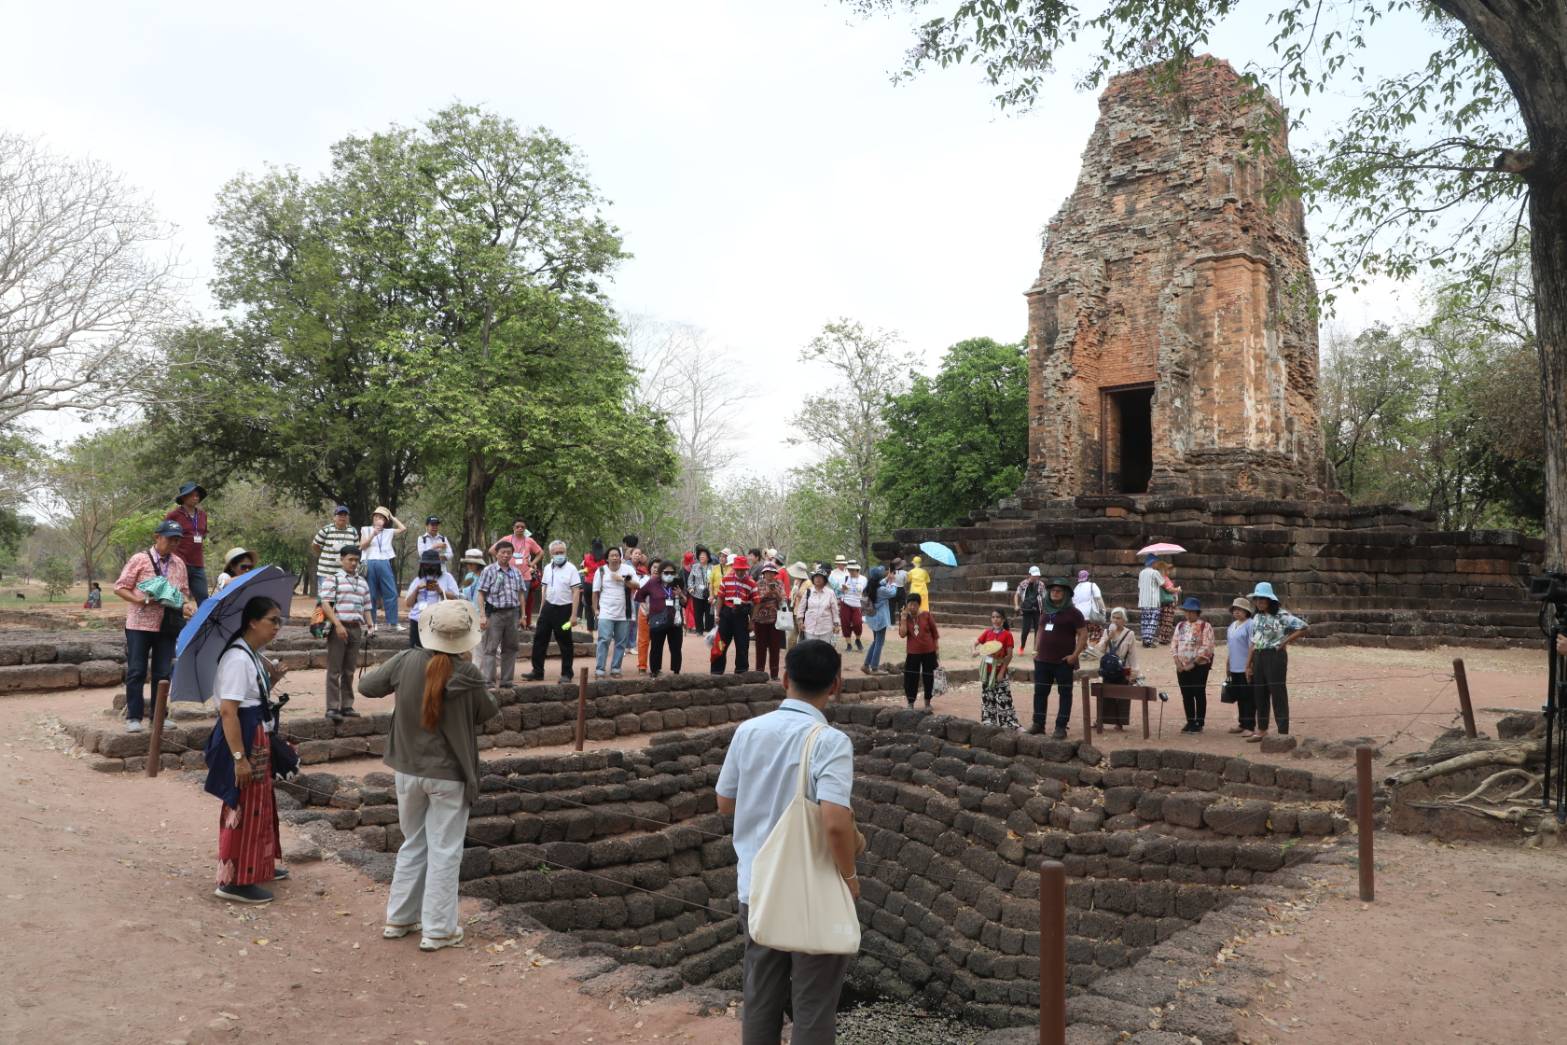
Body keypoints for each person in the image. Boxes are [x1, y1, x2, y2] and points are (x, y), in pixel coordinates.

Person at [715, 639, 861, 1045]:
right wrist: (849, 875)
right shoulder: (831, 742)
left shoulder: (749, 731)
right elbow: (835, 822)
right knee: (814, 1003)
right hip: (813, 890)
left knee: (761, 995)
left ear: (784, 680)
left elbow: (725, 802)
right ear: (836, 685)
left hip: (757, 884)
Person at [358, 599, 498, 951]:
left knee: (413, 843)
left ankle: (400, 918)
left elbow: (367, 687)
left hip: (407, 769)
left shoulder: (405, 661)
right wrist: (469, 667)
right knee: (445, 850)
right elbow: (487, 712)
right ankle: (438, 929)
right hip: (449, 773)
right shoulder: (467, 674)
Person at [206, 595, 291, 905]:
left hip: (255, 733)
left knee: (259, 802)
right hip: (244, 737)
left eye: (279, 621)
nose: (277, 627)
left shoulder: (252, 655)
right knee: (242, 805)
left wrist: (273, 677)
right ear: (253, 622)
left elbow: (250, 694)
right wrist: (239, 758)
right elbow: (229, 710)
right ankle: (233, 880)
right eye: (272, 620)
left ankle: (257, 866)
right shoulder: (239, 658)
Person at [113, 519, 195, 733]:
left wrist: (186, 605)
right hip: (139, 624)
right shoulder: (140, 559)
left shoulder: (179, 563)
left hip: (167, 625)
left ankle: (159, 716)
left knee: (163, 673)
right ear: (157, 537)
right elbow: (120, 587)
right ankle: (134, 717)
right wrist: (139, 600)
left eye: (177, 540)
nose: (174, 543)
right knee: (137, 671)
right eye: (170, 539)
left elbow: (184, 592)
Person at [1244, 582, 1309, 740]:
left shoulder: (1281, 615)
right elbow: (1254, 642)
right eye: (1257, 599)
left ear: (1270, 600)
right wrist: (1248, 665)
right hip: (1259, 655)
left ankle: (1282, 731)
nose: (1259, 602)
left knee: (1277, 692)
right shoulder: (1257, 617)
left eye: (1262, 599)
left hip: (1275, 656)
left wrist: (1285, 641)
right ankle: (1262, 729)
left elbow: (1303, 627)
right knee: (1260, 693)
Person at [320, 546, 373, 721]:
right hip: (338, 628)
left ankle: (347, 705)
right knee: (334, 669)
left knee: (349, 669)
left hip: (356, 628)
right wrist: (337, 624)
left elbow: (366, 606)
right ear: (341, 559)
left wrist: (370, 625)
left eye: (356, 560)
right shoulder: (333, 579)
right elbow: (325, 604)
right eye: (350, 559)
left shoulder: (362, 582)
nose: (353, 563)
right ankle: (332, 707)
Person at [1030, 577, 1086, 739]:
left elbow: (1083, 635)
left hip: (1063, 661)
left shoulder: (1074, 613)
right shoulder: (1045, 610)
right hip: (1042, 660)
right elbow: (1040, 629)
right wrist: (1035, 650)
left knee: (1065, 693)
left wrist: (1074, 656)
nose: (1055, 593)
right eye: (1053, 590)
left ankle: (1061, 727)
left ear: (1066, 594)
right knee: (1040, 692)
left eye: (1059, 590)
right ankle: (1038, 724)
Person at [528, 540, 582, 683]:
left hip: (564, 608)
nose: (559, 555)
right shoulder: (547, 568)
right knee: (539, 639)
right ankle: (537, 671)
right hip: (548, 608)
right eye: (556, 553)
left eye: (561, 552)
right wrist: (541, 611)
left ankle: (567, 673)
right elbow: (545, 589)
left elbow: (576, 591)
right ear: (551, 554)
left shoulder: (571, 569)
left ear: (565, 553)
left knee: (565, 642)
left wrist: (574, 615)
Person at [475, 543, 524, 687]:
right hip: (495, 613)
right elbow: (481, 594)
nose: (506, 555)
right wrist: (483, 615)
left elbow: (521, 594)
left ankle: (507, 681)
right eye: (503, 552)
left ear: (512, 555)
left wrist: (523, 616)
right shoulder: (489, 571)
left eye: (509, 553)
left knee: (511, 648)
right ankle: (488, 681)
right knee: (490, 648)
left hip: (513, 613)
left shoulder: (516, 572)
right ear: (496, 554)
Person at [1090, 607, 1144, 731]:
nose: (1115, 620)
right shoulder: (1106, 632)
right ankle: (1101, 720)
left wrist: (1133, 673)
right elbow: (1098, 650)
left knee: (1122, 695)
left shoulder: (1129, 634)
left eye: (1118, 618)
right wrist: (1108, 637)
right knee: (1106, 694)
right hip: (1109, 667)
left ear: (1124, 620)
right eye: (1114, 618)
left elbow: (1133, 655)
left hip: (1123, 668)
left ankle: (1119, 722)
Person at [634, 560, 686, 678]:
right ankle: (655, 670)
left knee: (676, 647)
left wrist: (680, 594)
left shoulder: (677, 583)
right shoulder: (652, 582)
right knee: (656, 647)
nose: (669, 575)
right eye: (666, 572)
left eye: (672, 572)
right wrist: (646, 609)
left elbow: (685, 602)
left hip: (674, 620)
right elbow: (639, 595)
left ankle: (676, 671)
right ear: (661, 572)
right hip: (657, 619)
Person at [1171, 597, 1215, 733]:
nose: (1188, 614)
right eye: (1186, 611)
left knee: (1198, 692)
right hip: (1182, 665)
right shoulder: (1180, 626)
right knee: (1186, 694)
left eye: (1191, 611)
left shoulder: (1205, 626)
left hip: (1199, 666)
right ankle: (1190, 720)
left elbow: (1207, 646)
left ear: (1197, 612)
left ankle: (1199, 721)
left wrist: (1194, 663)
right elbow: (1174, 643)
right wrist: (1177, 662)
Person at [490, 519, 543, 628]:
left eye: (522, 527)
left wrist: (532, 563)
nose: (520, 529)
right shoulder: (507, 539)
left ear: (525, 529)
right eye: (517, 526)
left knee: (522, 601)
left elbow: (540, 553)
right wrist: (502, 560)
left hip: (525, 576)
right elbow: (491, 550)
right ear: (513, 528)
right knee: (507, 599)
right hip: (507, 575)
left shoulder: (529, 541)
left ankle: (519, 625)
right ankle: (506, 625)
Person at [360, 506, 407, 632]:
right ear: (373, 519)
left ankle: (393, 623)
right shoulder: (365, 529)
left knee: (391, 592)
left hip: (384, 562)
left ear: (385, 521)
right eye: (376, 517)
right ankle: (372, 623)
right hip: (369, 562)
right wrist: (372, 535)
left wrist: (392, 517)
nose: (378, 519)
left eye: (381, 517)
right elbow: (362, 546)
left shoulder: (388, 531)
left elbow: (403, 529)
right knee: (371, 594)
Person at [402, 548, 460, 649]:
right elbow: (408, 603)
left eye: (432, 565)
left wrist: (440, 591)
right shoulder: (418, 580)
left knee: (436, 652)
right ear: (422, 565)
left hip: (439, 621)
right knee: (417, 651)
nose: (429, 567)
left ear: (438, 565)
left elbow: (456, 597)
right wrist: (416, 590)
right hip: (418, 620)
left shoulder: (447, 577)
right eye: (427, 565)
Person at [592, 547, 636, 677]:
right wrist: (595, 609)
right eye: (612, 555)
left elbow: (636, 585)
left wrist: (622, 579)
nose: (615, 558)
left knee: (620, 642)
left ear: (620, 557)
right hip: (605, 612)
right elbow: (595, 592)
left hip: (624, 613)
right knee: (604, 640)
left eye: (617, 555)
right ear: (607, 558)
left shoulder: (628, 570)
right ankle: (600, 669)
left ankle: (616, 668)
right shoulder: (601, 571)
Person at [166, 481, 211, 605]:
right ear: (184, 497)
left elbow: (203, 534)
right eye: (192, 495)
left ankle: (204, 624)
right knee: (178, 597)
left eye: (197, 495)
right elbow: (164, 536)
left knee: (203, 598)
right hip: (179, 562)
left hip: (197, 564)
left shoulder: (202, 515)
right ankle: (178, 624)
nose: (196, 497)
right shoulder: (173, 515)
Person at [974, 610, 1020, 730]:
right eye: (993, 617)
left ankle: (1007, 722)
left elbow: (1009, 656)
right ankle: (989, 721)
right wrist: (974, 650)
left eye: (998, 617)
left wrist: (1001, 671)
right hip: (987, 670)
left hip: (1000, 670)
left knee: (1003, 696)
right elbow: (975, 643)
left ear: (1003, 619)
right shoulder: (987, 632)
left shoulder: (1007, 635)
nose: (995, 619)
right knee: (987, 696)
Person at [713, 554, 757, 675]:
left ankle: (741, 671)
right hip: (726, 614)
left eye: (743, 569)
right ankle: (717, 671)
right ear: (734, 567)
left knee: (742, 645)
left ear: (746, 569)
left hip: (741, 615)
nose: (740, 571)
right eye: (738, 569)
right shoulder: (726, 579)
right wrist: (717, 615)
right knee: (720, 643)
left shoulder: (751, 582)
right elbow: (720, 598)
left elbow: (757, 602)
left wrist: (752, 621)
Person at [898, 592, 940, 709]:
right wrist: (903, 618)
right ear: (906, 605)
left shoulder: (926, 615)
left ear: (919, 605)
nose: (912, 607)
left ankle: (928, 701)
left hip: (929, 651)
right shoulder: (905, 617)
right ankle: (910, 702)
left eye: (914, 604)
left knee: (929, 676)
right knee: (911, 677)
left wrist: (936, 649)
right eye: (910, 604)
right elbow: (902, 634)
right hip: (913, 652)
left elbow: (935, 633)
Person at [1224, 597, 1258, 736]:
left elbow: (1253, 645)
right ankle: (1242, 723)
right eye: (1235, 609)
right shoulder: (1232, 626)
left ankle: (1250, 726)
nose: (1237, 612)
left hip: (1246, 666)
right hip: (1234, 666)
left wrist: (1249, 665)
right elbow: (1231, 647)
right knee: (1239, 696)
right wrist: (1228, 663)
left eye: (1240, 609)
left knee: (1248, 697)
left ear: (1246, 611)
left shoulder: (1250, 624)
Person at [750, 563, 787, 680]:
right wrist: (766, 594)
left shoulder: (779, 584)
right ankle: (759, 673)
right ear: (764, 573)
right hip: (760, 620)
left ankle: (774, 675)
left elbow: (782, 600)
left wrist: (775, 592)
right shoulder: (758, 584)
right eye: (767, 572)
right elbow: (755, 601)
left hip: (775, 620)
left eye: (772, 573)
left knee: (775, 648)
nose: (769, 574)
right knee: (760, 647)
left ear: (775, 574)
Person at [311, 506, 357, 594]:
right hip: (326, 573)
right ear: (334, 517)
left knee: (343, 601)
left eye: (345, 515)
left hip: (345, 574)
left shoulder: (353, 531)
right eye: (340, 515)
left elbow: (356, 549)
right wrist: (322, 554)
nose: (342, 517)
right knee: (325, 601)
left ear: (348, 518)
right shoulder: (326, 530)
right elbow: (315, 545)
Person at [860, 566, 897, 674]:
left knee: (876, 641)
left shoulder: (869, 587)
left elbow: (880, 582)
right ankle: (874, 667)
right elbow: (892, 592)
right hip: (880, 619)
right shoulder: (880, 590)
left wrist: (887, 579)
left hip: (872, 618)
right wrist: (892, 581)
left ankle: (866, 665)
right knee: (879, 643)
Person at [797, 566, 839, 646]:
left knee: (824, 651)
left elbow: (835, 610)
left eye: (820, 577)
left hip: (826, 628)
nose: (818, 579)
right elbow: (801, 608)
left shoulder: (830, 593)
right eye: (816, 577)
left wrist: (836, 625)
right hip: (809, 627)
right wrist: (800, 621)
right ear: (813, 579)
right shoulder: (808, 592)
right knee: (810, 651)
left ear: (825, 579)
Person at [1014, 566, 1045, 655]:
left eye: (1037, 575)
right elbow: (1017, 594)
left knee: (1038, 629)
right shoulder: (1023, 584)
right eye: (1034, 575)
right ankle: (1022, 646)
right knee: (1025, 630)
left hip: (1037, 609)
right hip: (1027, 609)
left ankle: (1035, 648)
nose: (1036, 577)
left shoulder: (1041, 584)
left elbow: (1044, 597)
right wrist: (1016, 605)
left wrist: (1045, 609)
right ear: (1030, 574)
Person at [838, 561, 867, 653]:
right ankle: (849, 644)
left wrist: (853, 588)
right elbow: (841, 589)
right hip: (845, 602)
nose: (850, 572)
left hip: (857, 604)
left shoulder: (863, 579)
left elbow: (860, 590)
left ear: (857, 570)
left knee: (857, 623)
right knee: (845, 623)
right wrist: (843, 589)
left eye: (852, 570)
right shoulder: (845, 577)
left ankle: (857, 640)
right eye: (849, 570)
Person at [1073, 569, 1106, 642]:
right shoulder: (1092, 585)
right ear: (1088, 577)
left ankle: (1082, 650)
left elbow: (1073, 603)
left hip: (1079, 616)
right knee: (1095, 636)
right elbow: (1099, 599)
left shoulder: (1076, 588)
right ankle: (1092, 650)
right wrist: (1103, 610)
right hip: (1091, 615)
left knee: (1082, 636)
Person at [1137, 555, 1163, 648]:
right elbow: (1162, 583)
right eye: (1156, 563)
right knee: (1153, 621)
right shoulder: (1155, 572)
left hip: (1144, 601)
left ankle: (1145, 639)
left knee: (1145, 621)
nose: (1157, 565)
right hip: (1153, 601)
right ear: (1153, 563)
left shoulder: (1141, 572)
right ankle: (1148, 640)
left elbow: (1139, 586)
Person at [688, 546, 714, 634]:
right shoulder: (695, 566)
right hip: (697, 593)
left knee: (709, 613)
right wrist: (690, 588)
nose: (701, 556)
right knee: (698, 613)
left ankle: (709, 629)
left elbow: (714, 580)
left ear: (708, 557)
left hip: (709, 593)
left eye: (704, 555)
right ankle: (699, 630)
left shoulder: (713, 567)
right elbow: (690, 579)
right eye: (700, 555)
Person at [582, 539, 606, 633]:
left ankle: (590, 631)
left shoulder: (586, 557)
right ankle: (601, 630)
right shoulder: (604, 558)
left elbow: (584, 570)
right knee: (601, 607)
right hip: (600, 585)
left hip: (588, 584)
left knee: (588, 607)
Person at [1156, 561, 1182, 645]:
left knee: (1163, 620)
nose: (1169, 571)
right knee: (1167, 621)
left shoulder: (1160, 578)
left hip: (1164, 602)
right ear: (1163, 570)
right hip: (1168, 603)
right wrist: (1177, 589)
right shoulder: (1164, 578)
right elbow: (1169, 589)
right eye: (1168, 569)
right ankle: (1164, 639)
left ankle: (1163, 638)